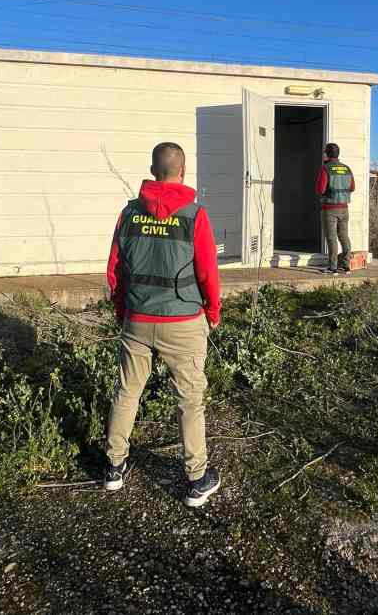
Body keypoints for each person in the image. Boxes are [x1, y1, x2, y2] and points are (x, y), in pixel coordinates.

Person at [103, 141, 222, 507]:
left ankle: (113, 466)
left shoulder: (128, 214)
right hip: (183, 322)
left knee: (127, 392)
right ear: (182, 172)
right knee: (189, 401)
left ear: (154, 171)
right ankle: (197, 477)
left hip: (137, 320)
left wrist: (122, 311)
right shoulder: (195, 215)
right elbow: (208, 272)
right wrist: (213, 312)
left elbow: (114, 270)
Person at [315, 142, 356, 274]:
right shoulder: (347, 168)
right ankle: (346, 265)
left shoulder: (325, 169)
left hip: (330, 209)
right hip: (344, 208)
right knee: (344, 236)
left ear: (326, 154)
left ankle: (333, 267)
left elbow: (320, 189)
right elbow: (352, 187)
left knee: (331, 237)